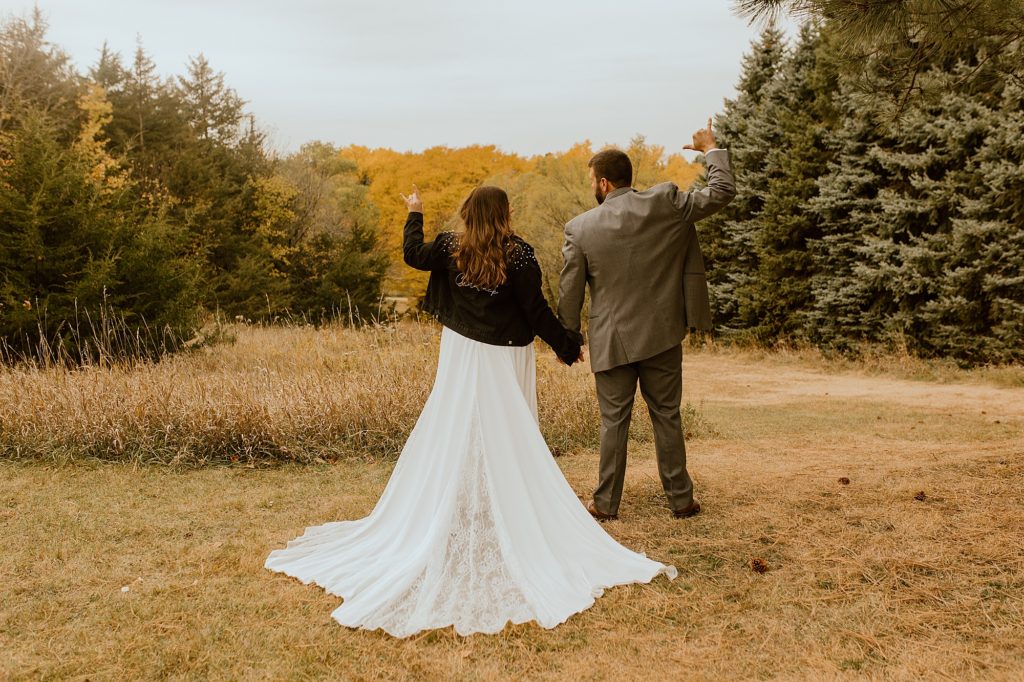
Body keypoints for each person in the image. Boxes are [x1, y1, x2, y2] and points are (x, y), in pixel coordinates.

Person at [264, 184, 677, 638]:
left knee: (459, 421)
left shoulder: (449, 247)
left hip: (461, 350)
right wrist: (566, 345)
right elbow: (535, 309)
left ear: (467, 213)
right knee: (508, 430)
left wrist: (415, 211)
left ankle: (473, 502)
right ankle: (497, 501)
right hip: (502, 355)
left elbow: (411, 254)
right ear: (504, 213)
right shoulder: (518, 255)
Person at [558, 119, 736, 522]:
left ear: (603, 183)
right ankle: (681, 500)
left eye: (592, 179)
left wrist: (567, 340)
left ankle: (605, 505)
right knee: (667, 416)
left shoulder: (580, 229)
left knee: (613, 424)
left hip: (611, 340)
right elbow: (722, 191)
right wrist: (711, 148)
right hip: (662, 333)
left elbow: (570, 292)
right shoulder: (666, 203)